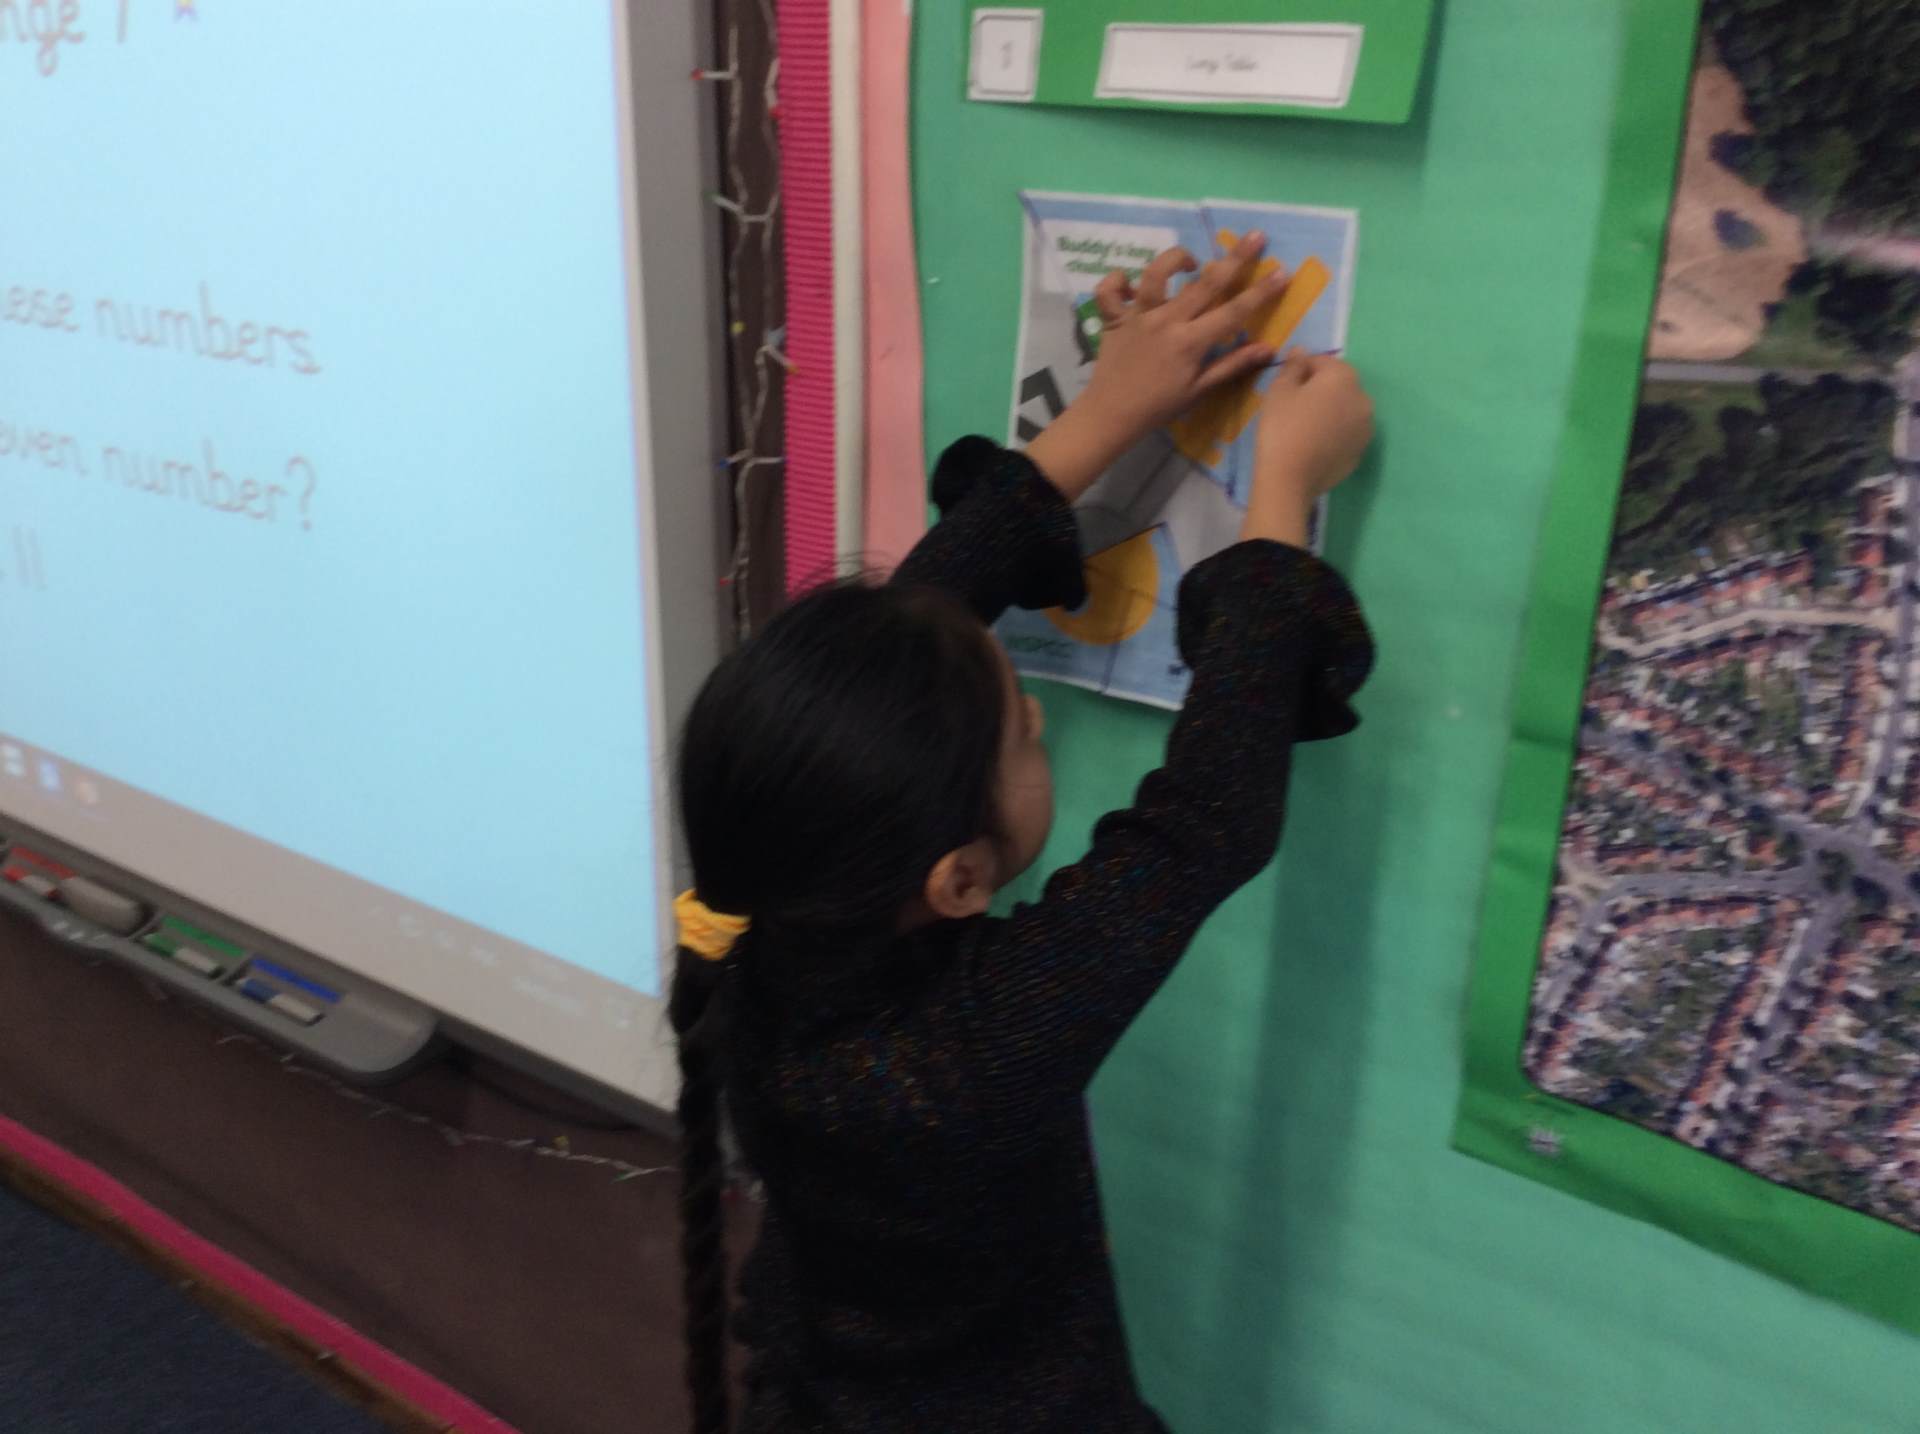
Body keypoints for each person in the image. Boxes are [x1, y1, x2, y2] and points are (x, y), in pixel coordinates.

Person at [668, 233, 1376, 1433]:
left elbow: (908, 637)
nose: (1039, 714)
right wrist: (1283, 497)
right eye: (1021, 735)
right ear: (956, 880)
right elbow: (1201, 825)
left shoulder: (770, 930)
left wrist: (1108, 410)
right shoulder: (958, 1059)